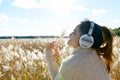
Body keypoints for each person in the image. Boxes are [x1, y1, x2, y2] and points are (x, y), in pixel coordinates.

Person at [45, 19, 113, 80]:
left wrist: (49, 56)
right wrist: (58, 59)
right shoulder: (97, 58)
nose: (70, 34)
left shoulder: (75, 63)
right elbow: (66, 74)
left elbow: (59, 78)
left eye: (74, 32)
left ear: (85, 40)